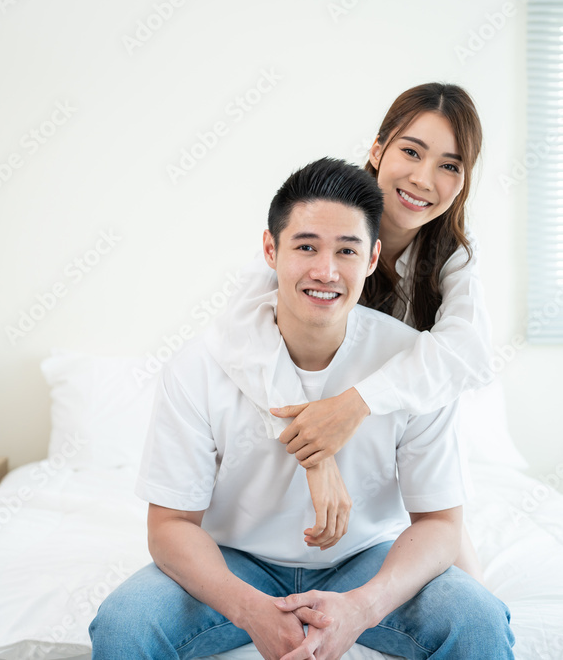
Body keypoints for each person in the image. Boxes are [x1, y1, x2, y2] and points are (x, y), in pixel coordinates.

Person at [89, 158, 514, 659]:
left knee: (479, 618)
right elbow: (168, 527)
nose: (325, 271)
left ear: (374, 257)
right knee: (123, 623)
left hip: (366, 559)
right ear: (271, 249)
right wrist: (251, 611)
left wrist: (362, 607)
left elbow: (440, 524)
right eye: (306, 246)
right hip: (235, 560)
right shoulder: (198, 366)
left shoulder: (411, 366)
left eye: (347, 250)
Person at [213, 83, 493, 579]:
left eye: (450, 165)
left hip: (389, 443)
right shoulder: (319, 216)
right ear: (378, 148)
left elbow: (467, 354)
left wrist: (354, 405)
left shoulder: (452, 259)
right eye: (411, 151)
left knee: (476, 602)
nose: (425, 179)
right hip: (289, 444)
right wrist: (316, 454)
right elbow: (242, 336)